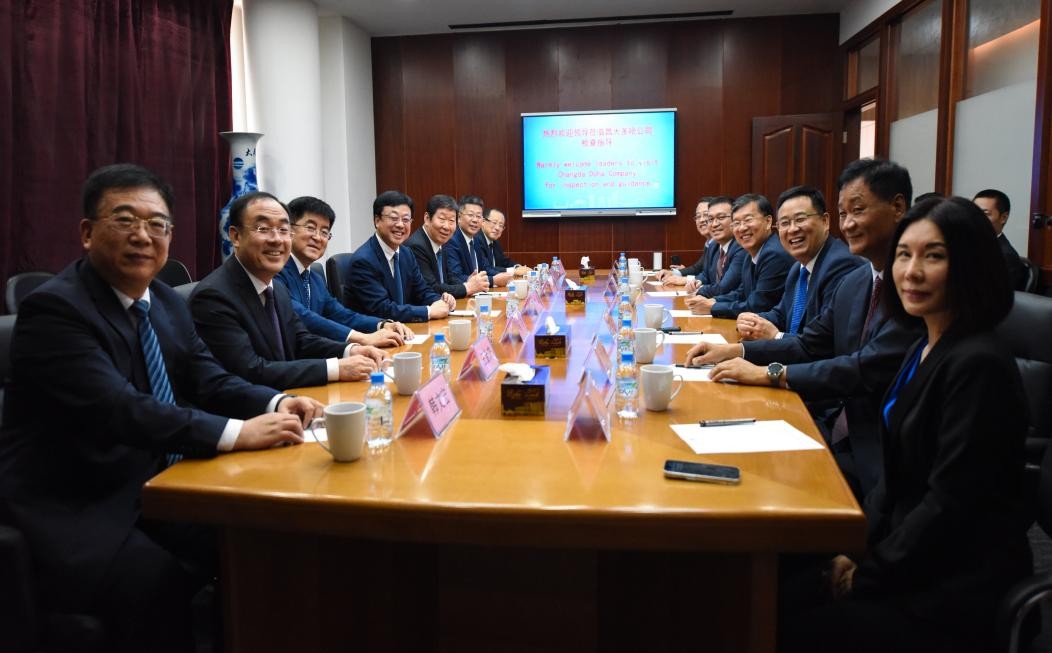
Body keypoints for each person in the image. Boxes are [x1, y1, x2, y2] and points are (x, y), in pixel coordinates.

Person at [0, 164, 322, 653]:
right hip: (80, 499)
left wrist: (277, 400)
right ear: (86, 233)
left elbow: (208, 377)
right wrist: (238, 432)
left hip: (160, 480)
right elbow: (121, 409)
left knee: (260, 537)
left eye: (157, 224)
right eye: (124, 220)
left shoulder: (166, 302)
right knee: (157, 580)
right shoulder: (56, 311)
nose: (142, 236)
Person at [780, 196, 1031, 653]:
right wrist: (856, 548)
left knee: (781, 624)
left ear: (971, 266)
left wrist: (867, 572)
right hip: (906, 552)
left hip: (951, 586)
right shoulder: (927, 343)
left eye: (933, 256)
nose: (911, 272)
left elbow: (948, 506)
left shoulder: (978, 364)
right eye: (903, 255)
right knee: (776, 583)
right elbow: (896, 477)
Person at [684, 159, 923, 500]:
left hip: (876, 449)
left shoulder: (907, 287)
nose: (849, 223)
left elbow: (861, 368)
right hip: (841, 424)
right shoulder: (858, 280)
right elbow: (809, 344)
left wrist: (768, 373)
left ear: (898, 208)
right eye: (844, 213)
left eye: (858, 210)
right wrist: (734, 350)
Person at [190, 191, 387, 389]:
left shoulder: (276, 287)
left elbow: (300, 340)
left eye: (283, 230)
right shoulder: (213, 296)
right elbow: (250, 370)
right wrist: (335, 368)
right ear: (236, 236)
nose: (277, 239)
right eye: (263, 228)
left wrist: (350, 350)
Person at [274, 195, 414, 344]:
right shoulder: (275, 273)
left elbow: (341, 314)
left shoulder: (315, 278)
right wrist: (362, 338)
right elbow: (302, 316)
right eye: (310, 228)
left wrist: (382, 324)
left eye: (324, 232)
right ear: (289, 229)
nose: (318, 237)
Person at [736, 186, 864, 340]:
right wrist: (751, 321)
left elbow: (823, 342)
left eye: (800, 219)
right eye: (784, 223)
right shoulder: (798, 268)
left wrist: (776, 336)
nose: (792, 229)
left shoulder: (841, 265)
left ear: (825, 221)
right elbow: (781, 315)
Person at [341, 190, 456, 322]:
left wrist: (441, 300)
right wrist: (429, 311)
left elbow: (422, 291)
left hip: (403, 328)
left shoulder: (406, 254)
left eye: (406, 219)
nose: (401, 225)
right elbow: (382, 309)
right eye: (394, 218)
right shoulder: (363, 261)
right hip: (374, 331)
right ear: (377, 220)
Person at [686, 192, 794, 318]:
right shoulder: (751, 252)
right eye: (736, 223)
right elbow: (741, 293)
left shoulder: (773, 254)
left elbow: (757, 306)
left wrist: (713, 307)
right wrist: (712, 301)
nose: (742, 228)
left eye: (748, 220)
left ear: (768, 221)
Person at [404, 194, 489, 298]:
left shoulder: (441, 242)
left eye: (451, 221)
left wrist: (468, 282)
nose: (446, 226)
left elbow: (449, 278)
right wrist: (467, 288)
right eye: (442, 219)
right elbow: (431, 288)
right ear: (427, 218)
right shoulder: (416, 246)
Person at [684, 195, 745, 297]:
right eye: (710, 219)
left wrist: (699, 290)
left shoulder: (741, 247)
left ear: (735, 219)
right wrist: (697, 282)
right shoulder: (713, 246)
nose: (714, 224)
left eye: (721, 217)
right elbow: (705, 275)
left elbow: (724, 288)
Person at [445, 194, 512, 287]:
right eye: (471, 215)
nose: (475, 220)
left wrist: (506, 275)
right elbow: (456, 277)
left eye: (478, 216)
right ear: (459, 217)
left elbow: (485, 268)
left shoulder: (476, 240)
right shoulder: (452, 240)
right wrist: (493, 280)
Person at [973, 188, 1026, 290]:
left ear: (1003, 218)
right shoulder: (966, 245)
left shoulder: (1005, 256)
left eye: (985, 214)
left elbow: (994, 296)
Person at [656, 197, 715, 285]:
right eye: (698, 216)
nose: (701, 220)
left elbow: (712, 278)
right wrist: (674, 273)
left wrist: (685, 280)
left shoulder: (720, 244)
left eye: (706, 215)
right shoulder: (709, 243)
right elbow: (697, 268)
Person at [474, 207, 531, 276]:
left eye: (501, 225)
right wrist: (514, 271)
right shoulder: (476, 240)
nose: (497, 228)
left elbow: (504, 261)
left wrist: (518, 267)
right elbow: (486, 268)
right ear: (483, 222)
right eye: (494, 223)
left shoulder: (495, 242)